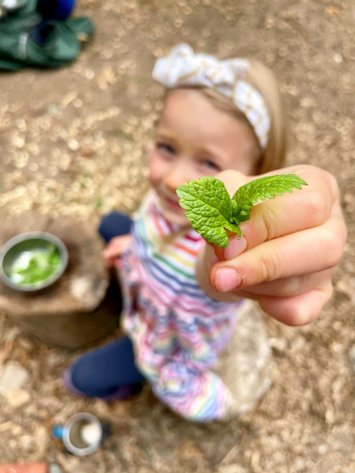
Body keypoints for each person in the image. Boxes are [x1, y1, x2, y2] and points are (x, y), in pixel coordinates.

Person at [64, 44, 347, 421]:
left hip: (168, 336)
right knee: (112, 223)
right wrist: (134, 246)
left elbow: (214, 273)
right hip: (149, 274)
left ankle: (133, 380)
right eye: (167, 148)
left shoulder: (217, 246)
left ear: (253, 175)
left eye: (208, 162)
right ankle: (135, 251)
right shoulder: (166, 201)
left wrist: (231, 249)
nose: (175, 179)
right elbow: (150, 219)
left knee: (79, 379)